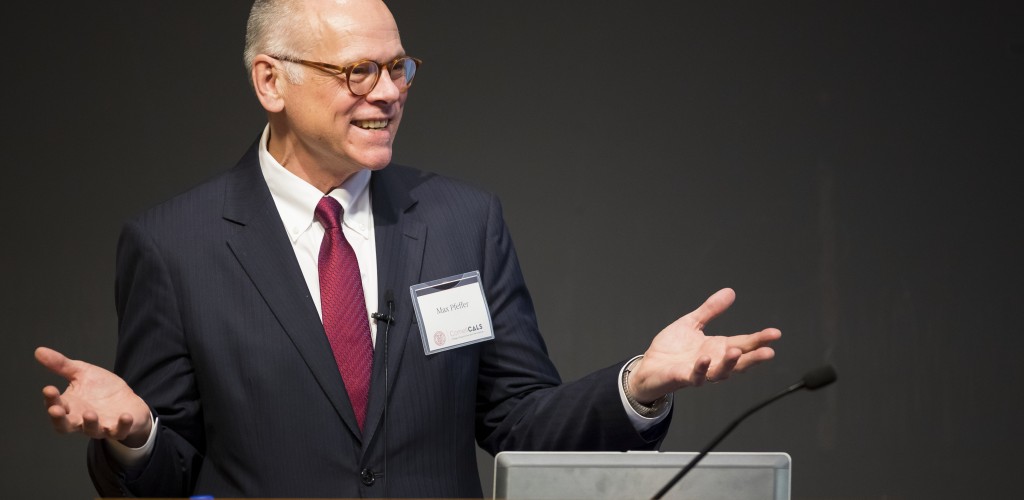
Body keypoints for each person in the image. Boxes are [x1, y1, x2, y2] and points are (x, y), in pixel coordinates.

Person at [35, 0, 781, 497]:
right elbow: (168, 471)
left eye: (398, 68)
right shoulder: (174, 246)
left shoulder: (462, 221)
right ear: (271, 81)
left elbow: (517, 421)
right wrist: (135, 433)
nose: (388, 92)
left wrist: (638, 385)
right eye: (358, 70)